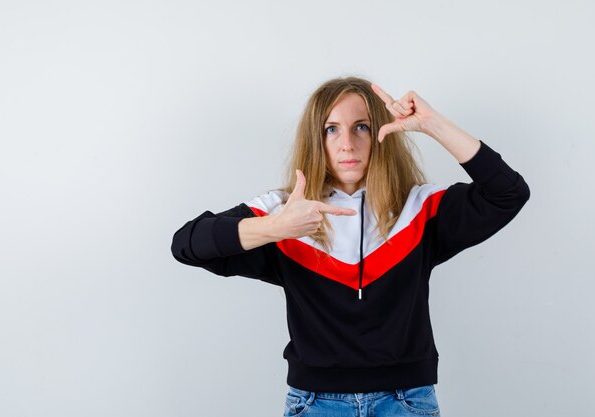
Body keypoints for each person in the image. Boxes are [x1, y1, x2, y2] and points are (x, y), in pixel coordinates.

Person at [171, 76, 530, 416]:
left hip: (406, 401)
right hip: (314, 403)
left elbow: (508, 194)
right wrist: (274, 227)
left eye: (362, 127)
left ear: (380, 133)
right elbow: (187, 243)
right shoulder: (282, 211)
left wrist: (431, 124)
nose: (347, 143)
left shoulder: (421, 208)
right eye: (331, 129)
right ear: (316, 139)